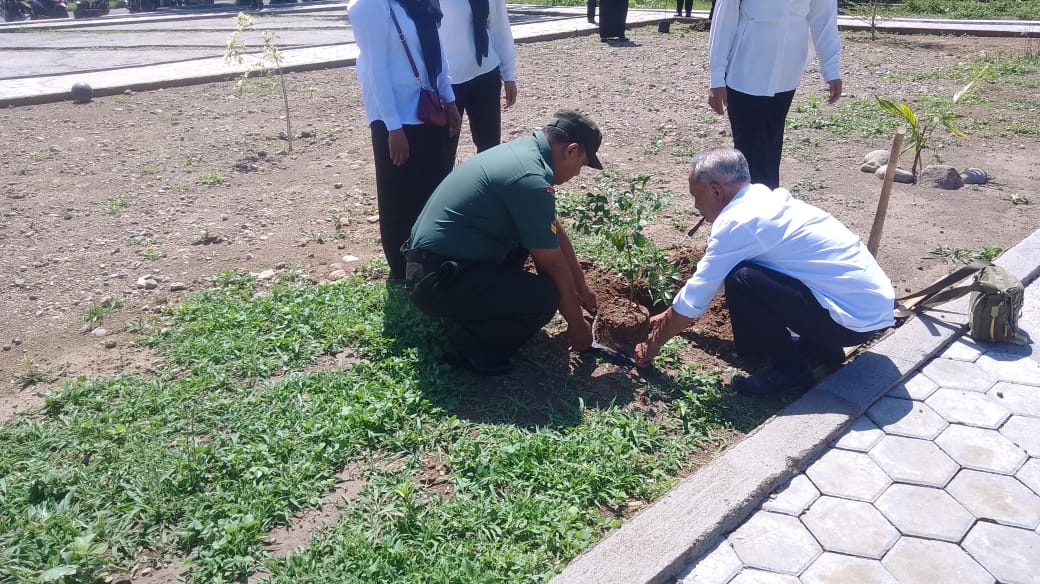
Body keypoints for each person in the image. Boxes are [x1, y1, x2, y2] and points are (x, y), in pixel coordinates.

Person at [635, 148, 895, 396]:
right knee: (747, 274)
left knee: (742, 279)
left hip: (851, 322)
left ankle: (790, 370)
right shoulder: (763, 199)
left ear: (716, 191)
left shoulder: (737, 222)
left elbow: (697, 295)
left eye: (696, 196)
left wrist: (653, 345)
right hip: (868, 311)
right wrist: (669, 314)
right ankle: (821, 349)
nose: (695, 205)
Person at [403, 110, 603, 375]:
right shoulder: (529, 180)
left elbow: (551, 228)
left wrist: (581, 287)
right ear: (571, 150)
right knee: (545, 296)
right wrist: (578, 327)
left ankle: (477, 309)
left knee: (532, 244)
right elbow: (552, 268)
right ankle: (469, 347)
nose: (577, 174)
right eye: (582, 163)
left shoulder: (524, 154)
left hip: (432, 266)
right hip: (435, 280)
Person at [348, 0, 463, 282]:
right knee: (398, 197)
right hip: (396, 117)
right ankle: (402, 269)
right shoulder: (369, 6)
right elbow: (376, 67)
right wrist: (393, 127)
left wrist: (449, 98)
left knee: (433, 189)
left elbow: (437, 50)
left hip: (430, 108)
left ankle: (430, 258)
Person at [707, 0, 842, 189]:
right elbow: (724, 21)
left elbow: (823, 18)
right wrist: (716, 77)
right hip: (746, 67)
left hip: (787, 72)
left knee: (771, 142)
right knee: (748, 145)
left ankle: (768, 201)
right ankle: (745, 203)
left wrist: (831, 69)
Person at [440, 0, 518, 155]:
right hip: (448, 81)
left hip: (486, 74)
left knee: (489, 147)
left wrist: (508, 74)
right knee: (444, 152)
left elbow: (499, 28)